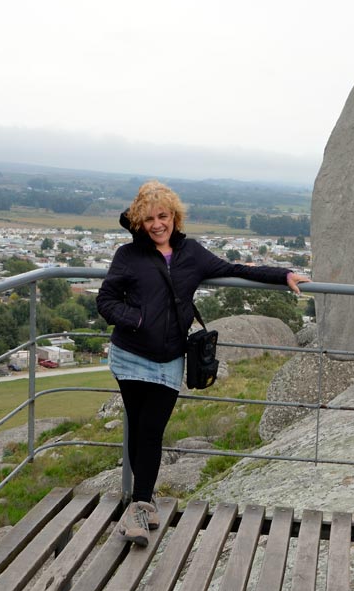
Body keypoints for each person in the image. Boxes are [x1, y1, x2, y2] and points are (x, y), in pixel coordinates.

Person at [96, 180, 309, 545]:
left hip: (167, 361)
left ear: (174, 216)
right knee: (139, 428)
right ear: (138, 222)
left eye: (162, 216)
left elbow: (238, 268)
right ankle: (141, 506)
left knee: (151, 430)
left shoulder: (191, 254)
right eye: (148, 219)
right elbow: (106, 300)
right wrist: (139, 320)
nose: (157, 224)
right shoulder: (127, 256)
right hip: (130, 355)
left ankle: (139, 503)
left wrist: (282, 275)